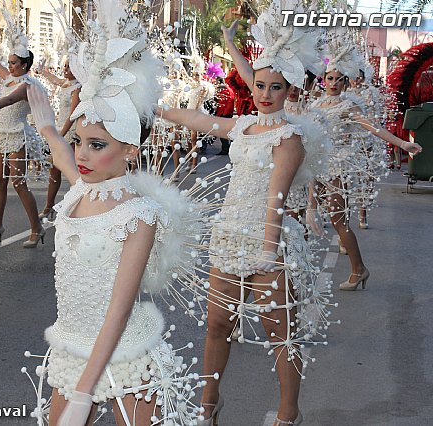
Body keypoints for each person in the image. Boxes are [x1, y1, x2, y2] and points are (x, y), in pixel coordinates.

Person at [23, 1, 205, 424]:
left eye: (97, 145)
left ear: (129, 150)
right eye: (80, 140)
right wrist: (50, 128)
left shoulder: (138, 215)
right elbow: (65, 158)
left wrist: (85, 392)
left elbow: (119, 311)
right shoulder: (80, 191)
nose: (82, 154)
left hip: (125, 354)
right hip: (71, 347)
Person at [159, 4, 335, 424]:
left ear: (289, 91)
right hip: (228, 235)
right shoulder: (242, 126)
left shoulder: (289, 139)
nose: (265, 94)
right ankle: (208, 402)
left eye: (275, 87)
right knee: (218, 324)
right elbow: (199, 119)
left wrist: (266, 251)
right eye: (260, 85)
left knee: (280, 334)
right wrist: (154, 107)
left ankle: (289, 411)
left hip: (266, 241)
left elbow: (276, 199)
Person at [312, 29, 422, 291]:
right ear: (324, 80)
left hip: (336, 167)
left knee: (338, 221)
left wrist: (403, 143)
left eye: (339, 79)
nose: (334, 83)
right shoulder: (315, 106)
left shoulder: (348, 106)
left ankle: (358, 269)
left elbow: (375, 129)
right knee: (301, 218)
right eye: (330, 78)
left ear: (346, 83)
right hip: (314, 167)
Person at [0, 5, 44, 247]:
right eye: (9, 62)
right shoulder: (9, 78)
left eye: (14, 63)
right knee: (0, 182)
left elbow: (8, 100)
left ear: (24, 65)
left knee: (19, 182)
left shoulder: (27, 85)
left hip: (17, 133)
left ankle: (36, 227)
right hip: (1, 134)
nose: (9, 65)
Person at [36, 60, 81, 220]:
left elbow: (72, 115)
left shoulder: (77, 87)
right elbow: (53, 79)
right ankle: (49, 206)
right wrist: (42, 71)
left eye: (69, 66)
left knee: (73, 173)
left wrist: (61, 135)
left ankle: (77, 207)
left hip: (70, 132)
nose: (66, 69)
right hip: (59, 130)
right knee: (54, 171)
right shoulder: (65, 84)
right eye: (65, 66)